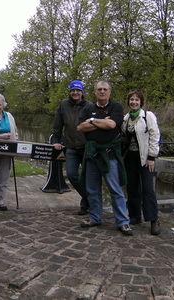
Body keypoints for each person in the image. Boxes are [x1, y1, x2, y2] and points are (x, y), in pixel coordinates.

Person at [77, 79, 133, 236]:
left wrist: (92, 121)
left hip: (110, 155)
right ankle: (95, 217)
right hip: (92, 154)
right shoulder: (88, 108)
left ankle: (123, 222)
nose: (102, 91)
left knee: (115, 189)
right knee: (92, 189)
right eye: (99, 89)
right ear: (95, 92)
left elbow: (112, 125)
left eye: (105, 89)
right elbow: (80, 127)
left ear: (109, 92)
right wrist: (100, 121)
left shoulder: (116, 107)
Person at [122, 90, 161, 235]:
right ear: (128, 102)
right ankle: (135, 216)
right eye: (131, 100)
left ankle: (153, 220)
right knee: (132, 188)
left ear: (141, 103)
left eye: (136, 100)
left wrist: (152, 157)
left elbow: (154, 135)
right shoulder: (126, 118)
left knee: (148, 189)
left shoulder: (147, 116)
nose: (134, 102)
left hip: (145, 158)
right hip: (130, 158)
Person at [51, 80, 91, 215]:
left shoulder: (89, 106)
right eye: (73, 90)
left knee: (86, 177)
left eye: (78, 90)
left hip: (86, 147)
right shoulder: (63, 105)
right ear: (70, 91)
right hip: (70, 147)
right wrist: (55, 140)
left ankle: (85, 205)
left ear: (82, 92)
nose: (75, 92)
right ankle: (90, 199)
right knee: (72, 174)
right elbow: (58, 125)